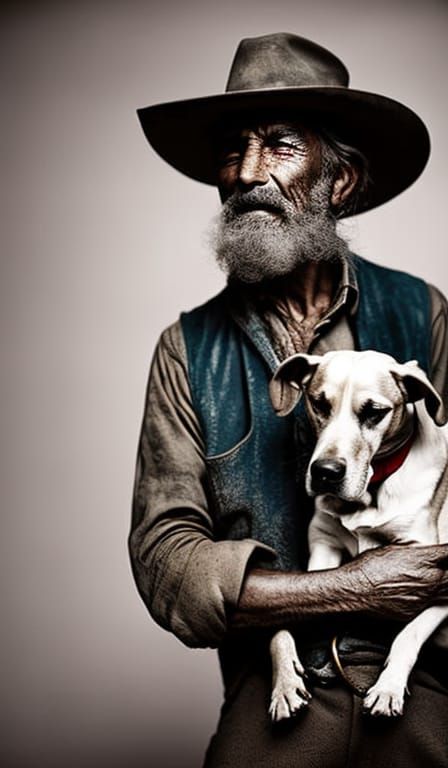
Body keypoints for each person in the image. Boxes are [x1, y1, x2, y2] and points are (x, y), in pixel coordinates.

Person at [129, 33, 448, 767]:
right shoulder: (187, 351)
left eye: (278, 146)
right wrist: (349, 588)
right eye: (233, 149)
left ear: (339, 182)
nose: (246, 173)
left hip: (428, 673)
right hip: (279, 685)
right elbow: (166, 565)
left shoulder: (422, 314)